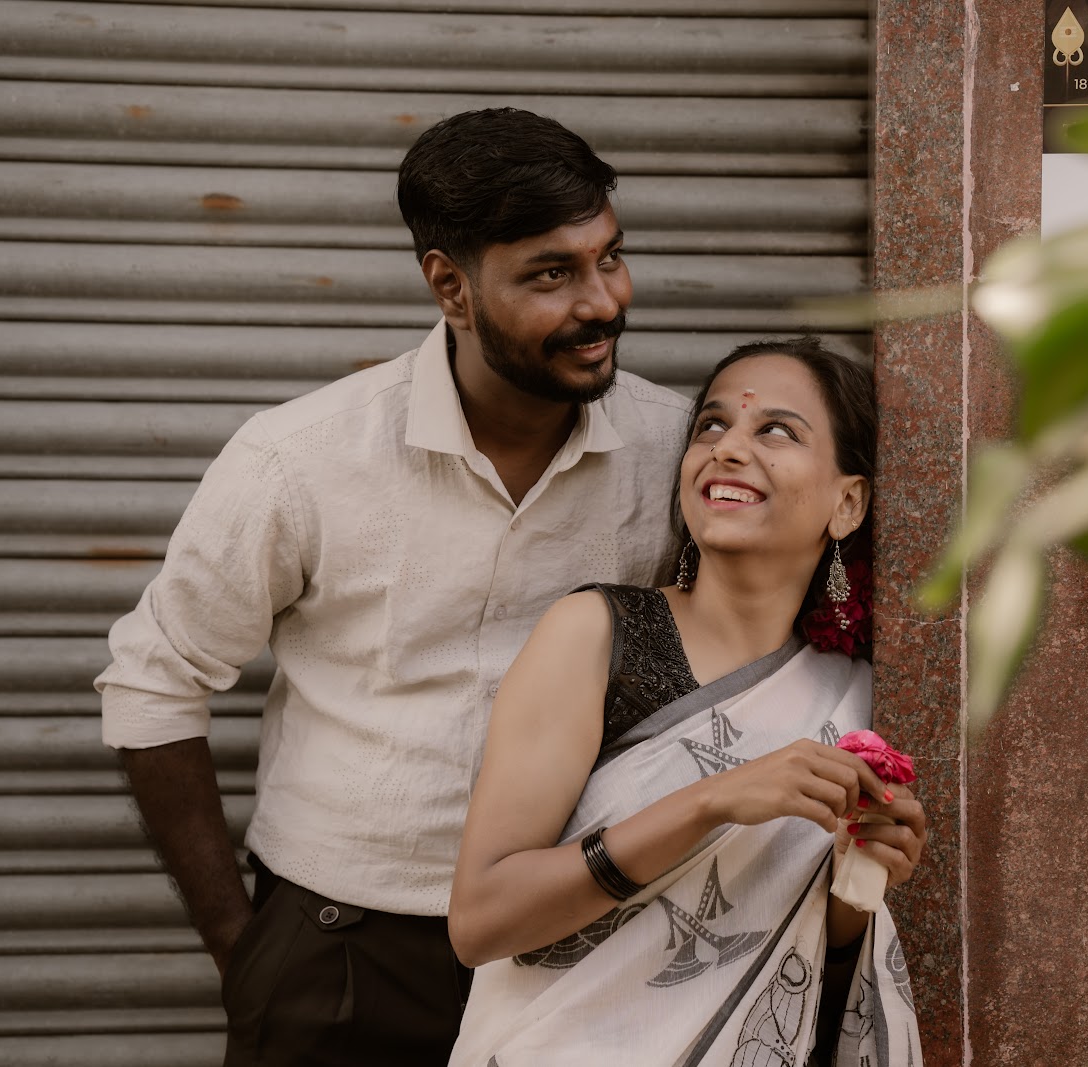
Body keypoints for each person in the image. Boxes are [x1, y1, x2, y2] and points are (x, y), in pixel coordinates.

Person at [95, 108, 692, 1066]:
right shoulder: (298, 460)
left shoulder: (677, 451)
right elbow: (152, 683)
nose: (603, 301)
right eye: (551, 273)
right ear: (450, 286)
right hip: (342, 950)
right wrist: (242, 950)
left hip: (580, 944)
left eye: (609, 257)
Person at [446, 337, 926, 1067]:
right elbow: (480, 921)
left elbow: (796, 954)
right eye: (711, 425)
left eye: (775, 430)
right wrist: (712, 800)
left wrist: (860, 883)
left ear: (847, 502)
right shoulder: (597, 636)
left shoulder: (853, 696)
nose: (727, 447)